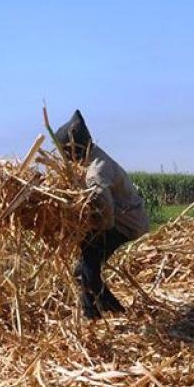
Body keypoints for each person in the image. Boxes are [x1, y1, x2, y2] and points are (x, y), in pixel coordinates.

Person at [54, 110, 150, 319]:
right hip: (124, 219)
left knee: (86, 264)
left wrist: (94, 231)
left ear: (74, 149)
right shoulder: (93, 157)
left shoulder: (95, 171)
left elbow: (105, 209)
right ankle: (113, 311)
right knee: (85, 270)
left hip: (126, 223)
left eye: (65, 152)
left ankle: (92, 317)